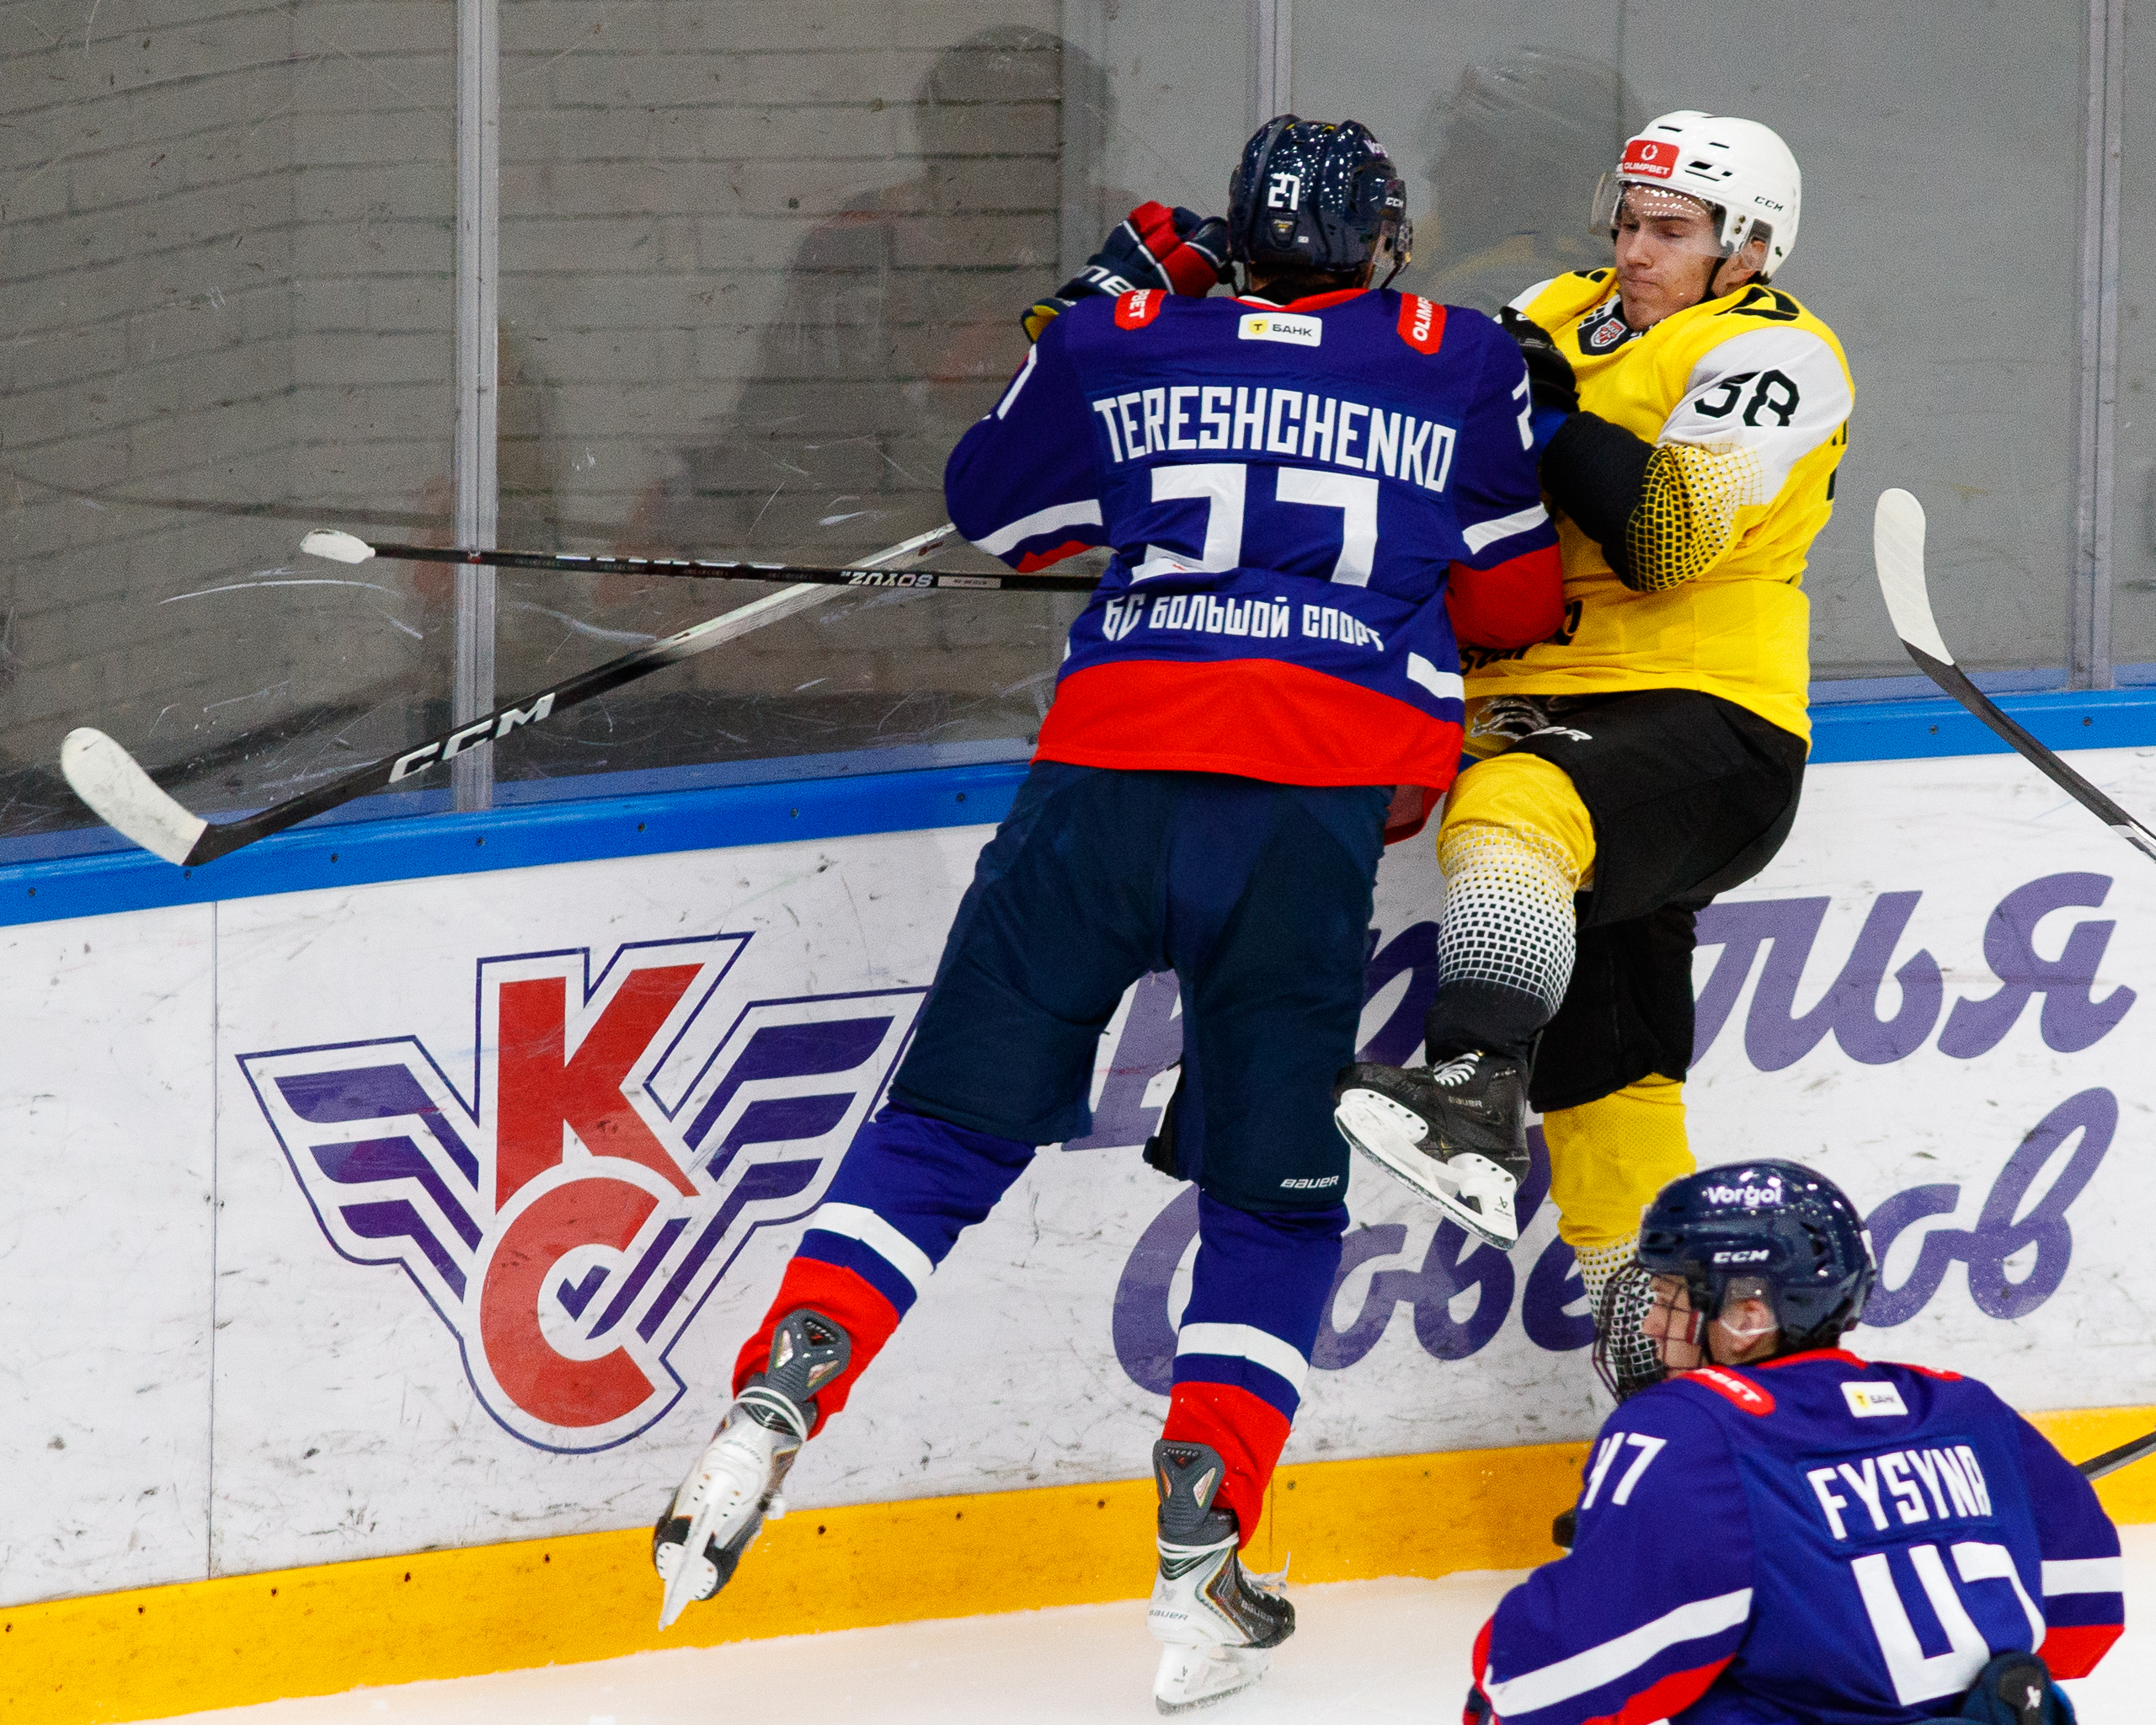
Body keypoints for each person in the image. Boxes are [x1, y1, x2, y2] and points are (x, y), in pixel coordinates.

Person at [649, 115, 1564, 1714]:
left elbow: (1000, 514)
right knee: (1272, 1206)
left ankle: (779, 1393)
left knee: (943, 1132)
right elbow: (1517, 604)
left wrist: (1086, 308)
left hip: (1102, 781)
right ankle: (1199, 1564)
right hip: (1301, 815)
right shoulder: (1461, 358)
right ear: (1381, 245)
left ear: (1230, 238)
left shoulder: (1121, 334)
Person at [1335, 112, 1855, 1300]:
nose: (1633, 250)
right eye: (1625, 222)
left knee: (1516, 807)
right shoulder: (1556, 308)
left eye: (1670, 230)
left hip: (1701, 718)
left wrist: (1550, 416)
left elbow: (1667, 537)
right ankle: (1656, 1341)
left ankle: (1469, 1087)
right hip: (1525, 700)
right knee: (1604, 1065)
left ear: (1749, 246)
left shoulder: (1776, 351)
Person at [1466, 1160, 2122, 1724]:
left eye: (1669, 1298)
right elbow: (2085, 1623)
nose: (1649, 1322)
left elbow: (1549, 1684)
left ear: (1747, 1316)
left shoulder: (1695, 1426)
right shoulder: (1963, 1407)